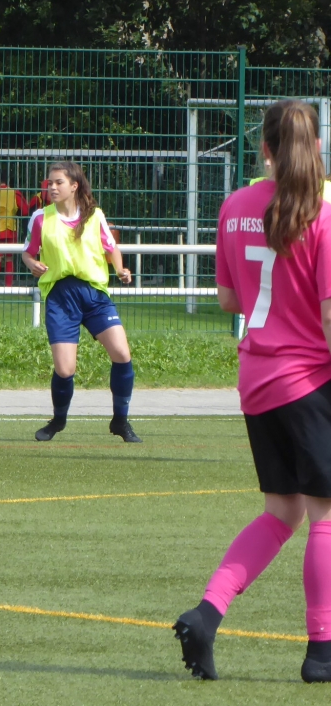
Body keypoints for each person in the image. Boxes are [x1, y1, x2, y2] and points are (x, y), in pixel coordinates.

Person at [173, 100, 331, 684]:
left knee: (282, 511)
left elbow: (228, 300)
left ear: (263, 147)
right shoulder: (321, 212)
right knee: (325, 514)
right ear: (316, 147)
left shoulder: (235, 205)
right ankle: (323, 650)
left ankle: (207, 613)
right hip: (309, 379)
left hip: (257, 379)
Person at [20, 161, 140, 443]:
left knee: (122, 354)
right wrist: (32, 263)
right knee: (65, 370)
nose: (52, 187)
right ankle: (58, 420)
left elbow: (112, 248)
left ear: (74, 186)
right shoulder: (41, 218)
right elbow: (28, 252)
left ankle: (120, 421)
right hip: (61, 298)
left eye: (58, 182)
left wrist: (120, 269)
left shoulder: (94, 216)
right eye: (50, 183)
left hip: (94, 295)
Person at [0, 169, 28, 286]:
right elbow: (25, 211)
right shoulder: (14, 193)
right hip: (10, 229)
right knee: (9, 257)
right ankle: (9, 285)